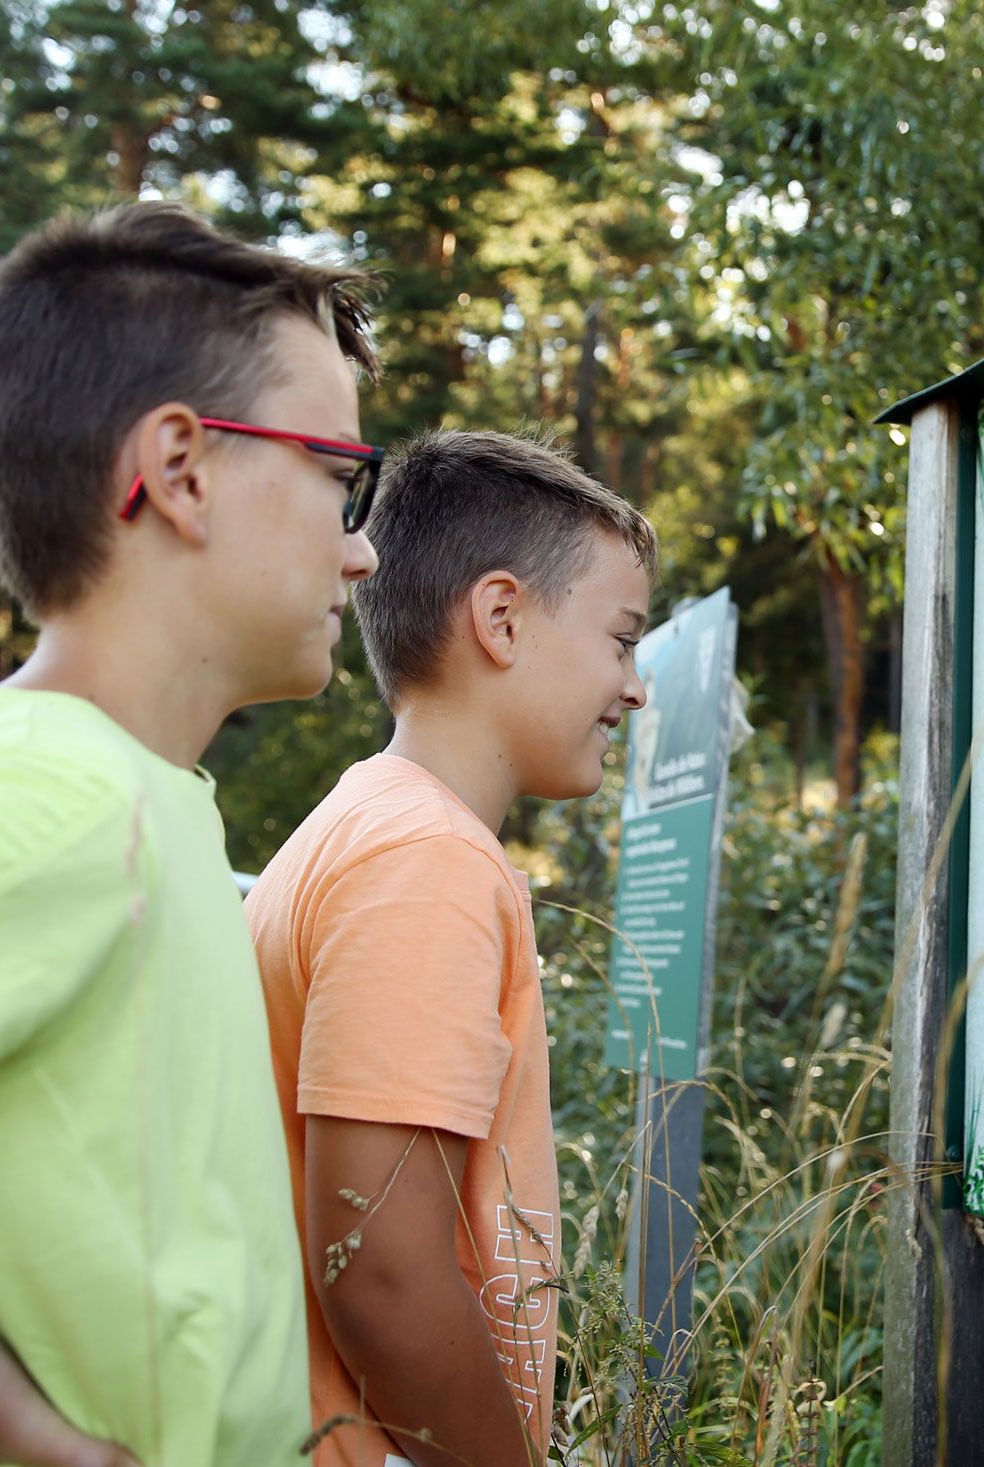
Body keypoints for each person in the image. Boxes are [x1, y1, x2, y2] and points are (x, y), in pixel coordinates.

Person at [0, 201, 382, 1464]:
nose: (361, 554)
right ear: (182, 470)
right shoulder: (51, 797)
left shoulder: (136, 799)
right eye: (340, 477)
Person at [246, 429, 655, 1466]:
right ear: (503, 618)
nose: (634, 687)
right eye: (621, 639)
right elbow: (379, 1268)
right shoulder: (428, 862)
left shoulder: (363, 822)